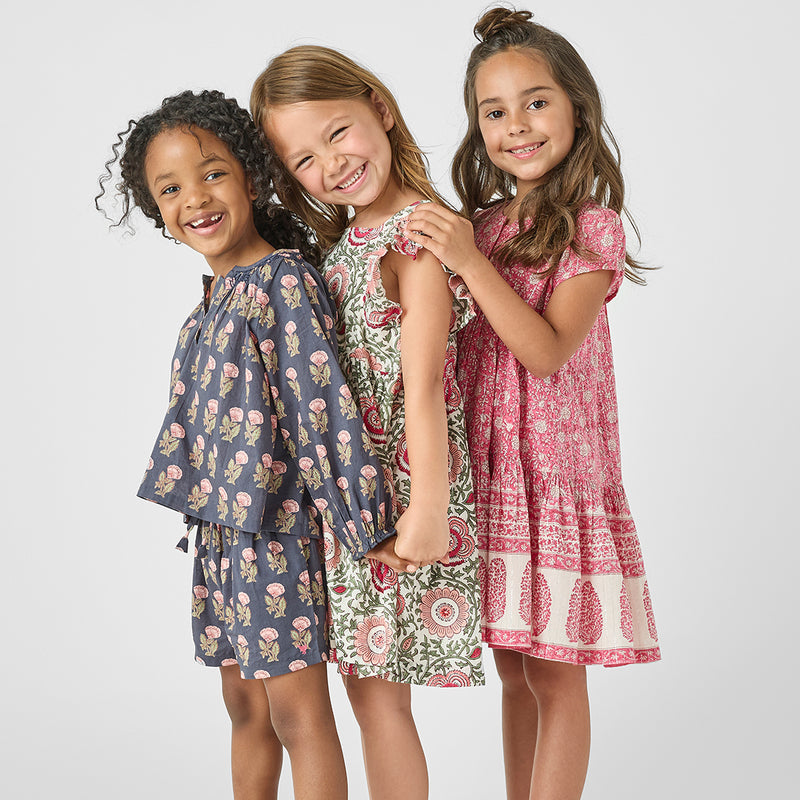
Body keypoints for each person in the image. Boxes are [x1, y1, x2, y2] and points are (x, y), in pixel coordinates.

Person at [97, 89, 416, 800]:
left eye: (212, 174)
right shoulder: (206, 306)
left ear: (251, 176)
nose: (195, 199)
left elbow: (321, 410)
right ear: (157, 211)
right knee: (243, 707)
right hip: (220, 538)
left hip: (277, 535)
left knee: (297, 715)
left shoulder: (284, 284)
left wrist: (368, 523)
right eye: (170, 189)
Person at [403, 8, 661, 800]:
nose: (517, 125)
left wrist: (469, 261)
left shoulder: (593, 227)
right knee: (513, 669)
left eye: (536, 101)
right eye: (494, 110)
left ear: (577, 107)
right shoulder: (478, 224)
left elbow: (547, 350)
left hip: (553, 476)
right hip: (491, 479)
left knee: (555, 676)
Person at [252, 46, 483, 800]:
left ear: (380, 108)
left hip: (400, 491)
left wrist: (427, 511)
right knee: (366, 690)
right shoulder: (339, 248)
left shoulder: (416, 238)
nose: (333, 164)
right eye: (306, 160)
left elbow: (425, 388)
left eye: (339, 132)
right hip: (352, 501)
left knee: (380, 698)